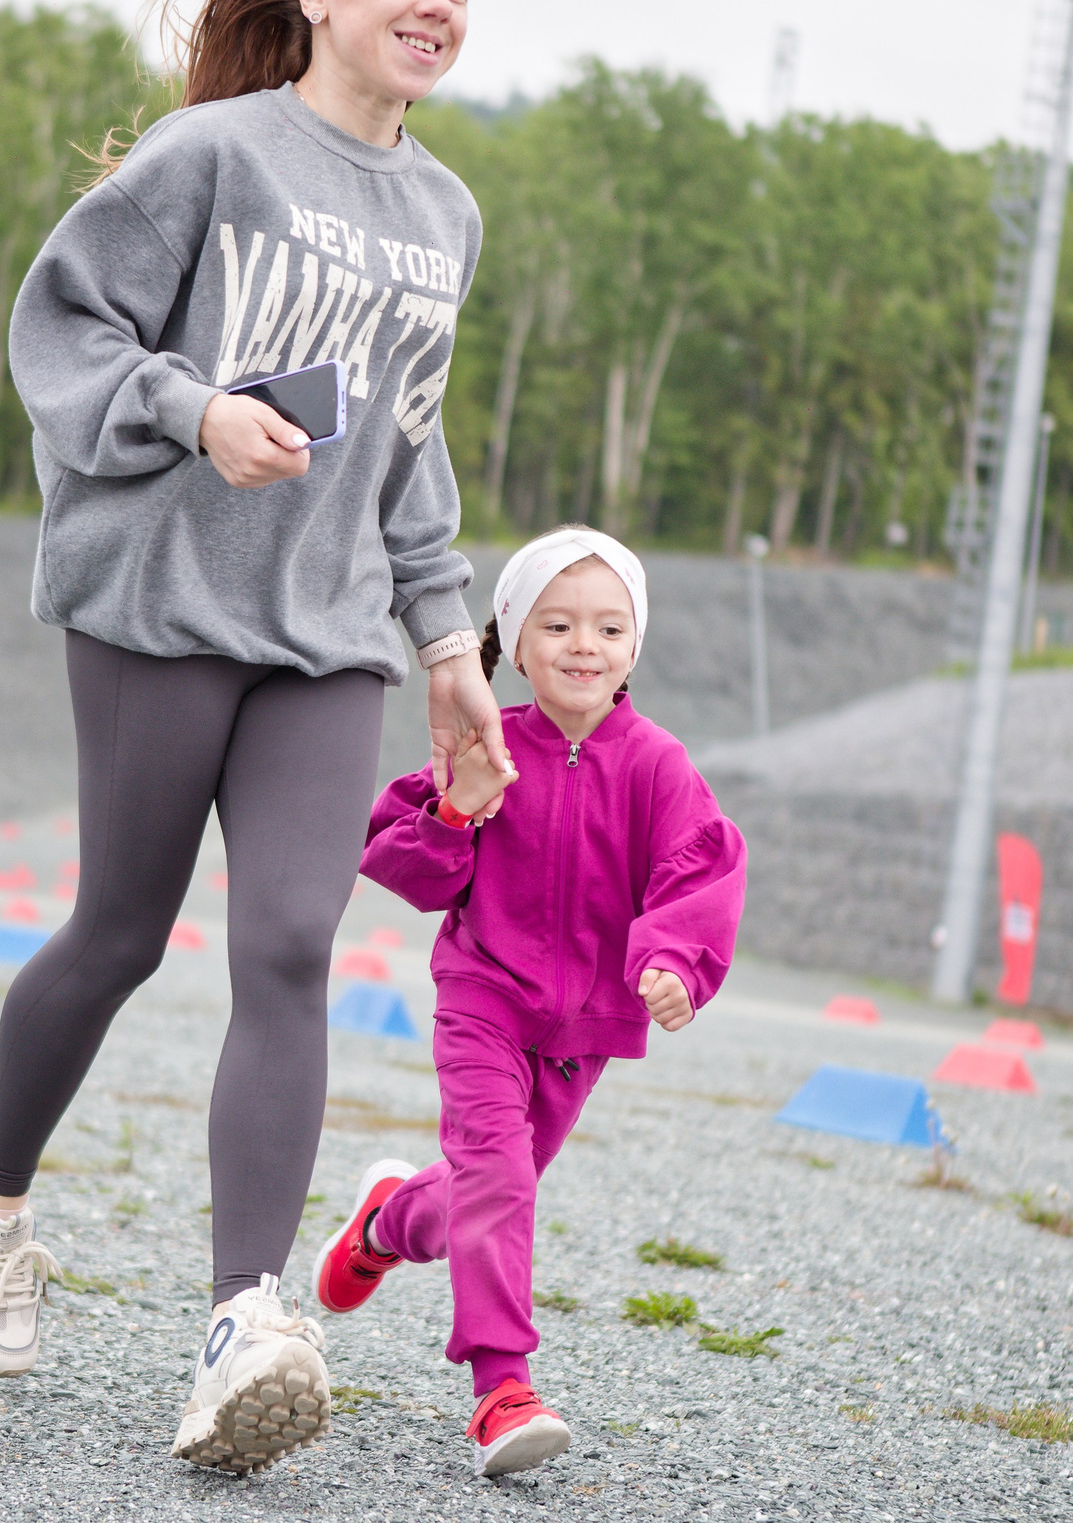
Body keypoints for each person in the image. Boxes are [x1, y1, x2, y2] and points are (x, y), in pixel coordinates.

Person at [0, 0, 507, 1478]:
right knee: (119, 930)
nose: (434, 5)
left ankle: (247, 1317)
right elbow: (64, 330)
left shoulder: (446, 214)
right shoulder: (213, 156)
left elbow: (408, 447)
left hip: (323, 636)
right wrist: (193, 410)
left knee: (295, 947)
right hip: (160, 598)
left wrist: (449, 649)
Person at [315, 527, 748, 1478]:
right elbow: (404, 859)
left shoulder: (659, 766)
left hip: (581, 1030)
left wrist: (676, 960)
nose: (582, 644)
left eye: (607, 625)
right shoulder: (485, 740)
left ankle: (387, 1220)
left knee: (491, 1183)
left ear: (635, 643)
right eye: (556, 624)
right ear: (513, 641)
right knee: (499, 1177)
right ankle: (501, 1387)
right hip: (483, 998)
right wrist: (460, 804)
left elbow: (700, 869)